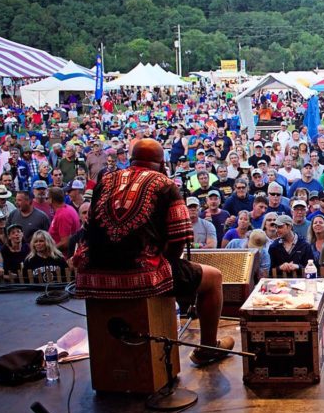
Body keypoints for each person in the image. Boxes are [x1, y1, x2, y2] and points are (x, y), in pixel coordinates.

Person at [75, 138, 234, 366]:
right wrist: (167, 265)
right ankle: (208, 348)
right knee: (213, 278)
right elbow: (180, 237)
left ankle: (108, 361)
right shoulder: (164, 184)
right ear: (161, 164)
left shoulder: (105, 180)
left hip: (93, 274)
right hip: (142, 273)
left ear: (130, 161)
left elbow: (88, 228)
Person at [47, 186, 81, 253]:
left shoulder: (63, 215)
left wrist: (49, 251)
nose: (46, 200)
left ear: (51, 200)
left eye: (47, 198)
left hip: (63, 258)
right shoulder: (68, 208)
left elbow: (66, 243)